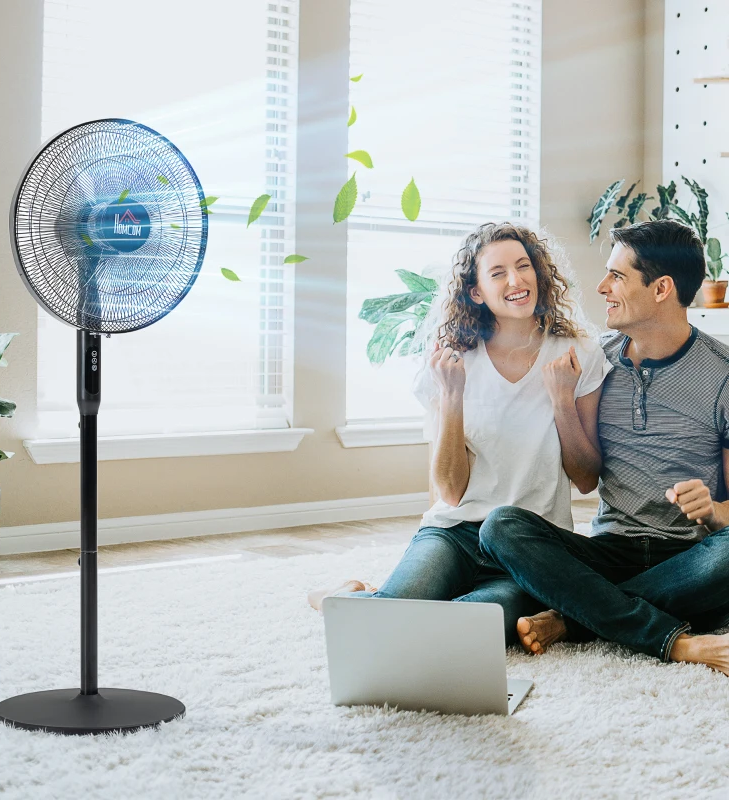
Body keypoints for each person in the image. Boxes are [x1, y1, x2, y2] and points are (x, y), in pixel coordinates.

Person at [307, 221, 612, 646]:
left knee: (466, 631)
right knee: (383, 623)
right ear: (475, 291)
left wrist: (562, 401)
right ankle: (341, 597)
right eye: (498, 272)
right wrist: (451, 396)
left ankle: (360, 598)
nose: (517, 280)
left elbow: (585, 478)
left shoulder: (578, 352)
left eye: (524, 266)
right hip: (455, 533)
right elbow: (450, 492)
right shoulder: (453, 361)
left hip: (528, 543)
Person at [478, 219, 729, 674]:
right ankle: (675, 640)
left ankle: (572, 618)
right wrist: (562, 402)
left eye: (617, 276)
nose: (601, 287)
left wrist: (713, 508)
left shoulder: (723, 375)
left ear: (662, 289)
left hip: (691, 555)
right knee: (501, 528)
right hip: (610, 549)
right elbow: (584, 478)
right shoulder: (593, 360)